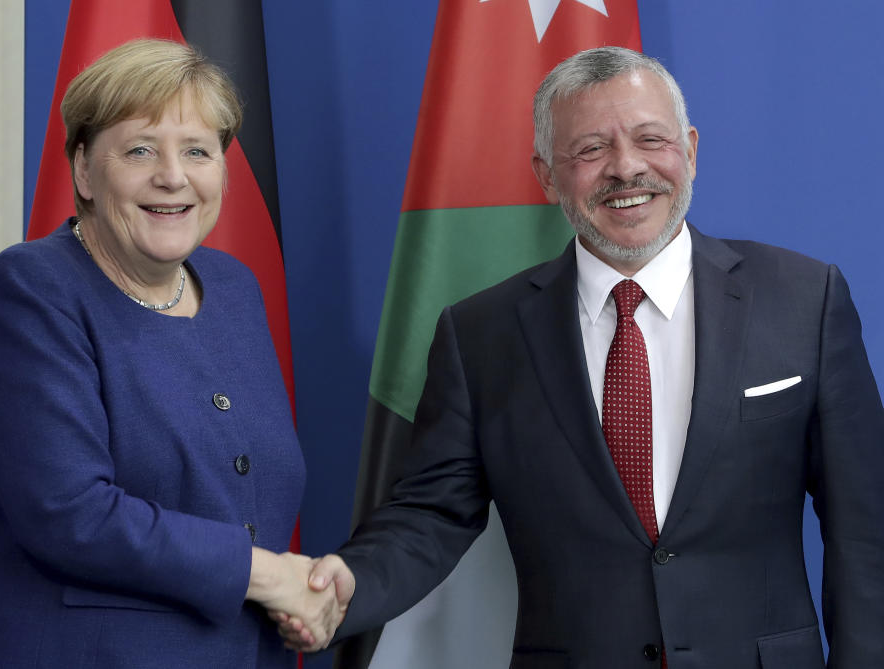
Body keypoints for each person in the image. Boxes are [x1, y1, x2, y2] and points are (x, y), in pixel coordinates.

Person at [287, 47, 884, 667]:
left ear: (691, 150)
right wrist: (347, 585)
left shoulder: (803, 299)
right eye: (591, 150)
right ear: (546, 175)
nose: (626, 169)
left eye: (651, 139)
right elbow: (432, 514)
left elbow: (867, 532)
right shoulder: (480, 334)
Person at [0, 39, 341, 668]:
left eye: (197, 151)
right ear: (85, 170)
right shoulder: (33, 288)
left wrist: (309, 588)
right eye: (140, 149)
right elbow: (70, 514)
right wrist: (266, 575)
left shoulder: (233, 289)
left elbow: (248, 495)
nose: (172, 176)